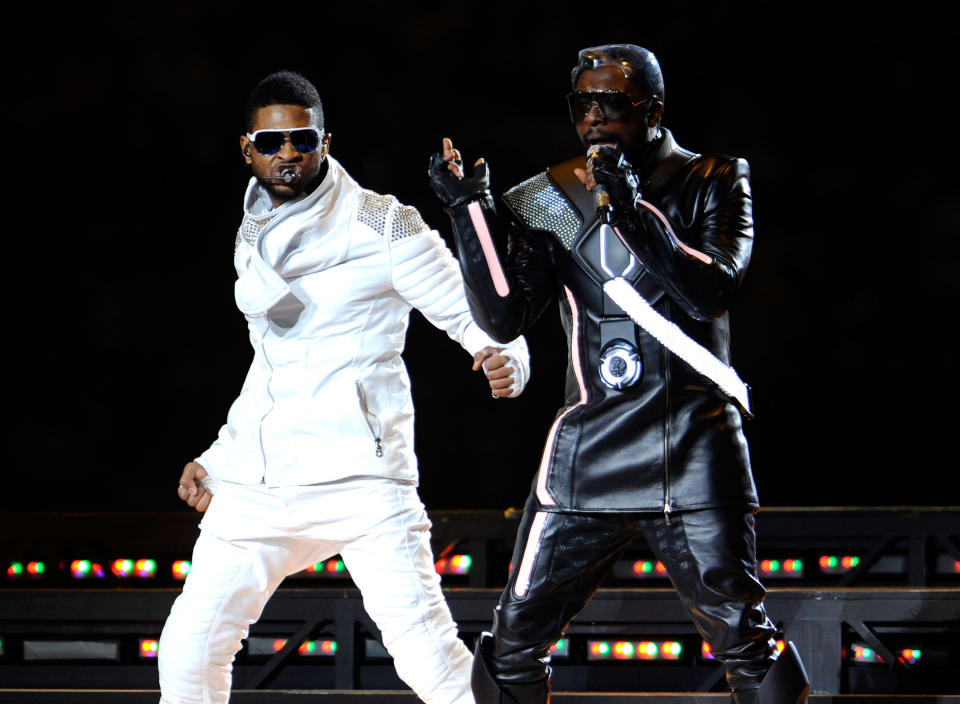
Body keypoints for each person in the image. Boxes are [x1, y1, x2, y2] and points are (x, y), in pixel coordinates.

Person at [428, 45, 809, 704]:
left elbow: (710, 291)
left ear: (653, 110)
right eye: (583, 105)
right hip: (588, 448)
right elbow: (504, 315)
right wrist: (469, 214)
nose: (595, 118)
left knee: (745, 640)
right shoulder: (547, 195)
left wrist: (633, 213)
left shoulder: (713, 177)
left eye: (613, 104)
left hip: (691, 441)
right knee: (511, 644)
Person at [157, 70, 530, 704]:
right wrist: (220, 457)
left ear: (325, 141)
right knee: (189, 651)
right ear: (246, 148)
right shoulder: (251, 230)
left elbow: (477, 313)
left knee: (429, 657)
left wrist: (507, 358)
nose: (288, 153)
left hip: (361, 477)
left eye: (302, 139)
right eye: (271, 142)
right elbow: (273, 368)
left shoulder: (384, 224)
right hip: (262, 484)